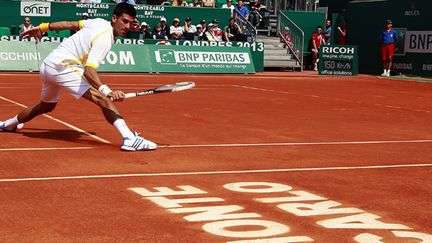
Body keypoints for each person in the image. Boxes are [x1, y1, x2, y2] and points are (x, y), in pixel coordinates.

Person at [0, 3, 157, 151]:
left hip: (48, 65)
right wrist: (108, 91)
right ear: (114, 18)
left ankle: (8, 124)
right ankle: (129, 138)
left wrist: (43, 28)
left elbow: (70, 24)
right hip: (63, 67)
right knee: (103, 99)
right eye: (124, 21)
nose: (127, 27)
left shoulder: (98, 22)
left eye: (131, 23)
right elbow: (89, 71)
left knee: (46, 106)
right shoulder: (105, 38)